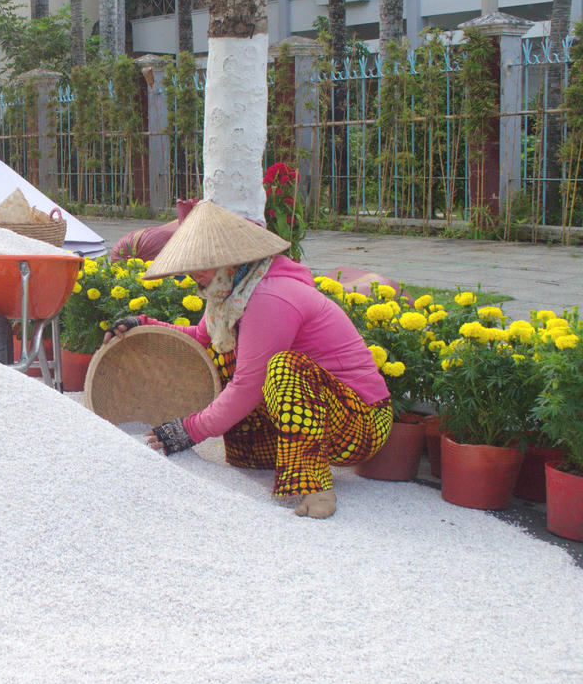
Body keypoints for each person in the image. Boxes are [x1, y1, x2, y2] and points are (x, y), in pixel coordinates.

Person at [104, 199, 391, 519]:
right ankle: (266, 456)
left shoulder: (269, 296)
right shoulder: (232, 293)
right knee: (223, 352)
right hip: (320, 412)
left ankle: (315, 486)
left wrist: (189, 430)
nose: (192, 273)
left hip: (361, 421)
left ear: (231, 261)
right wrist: (144, 327)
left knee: (282, 369)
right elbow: (202, 338)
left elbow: (248, 386)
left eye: (203, 263)